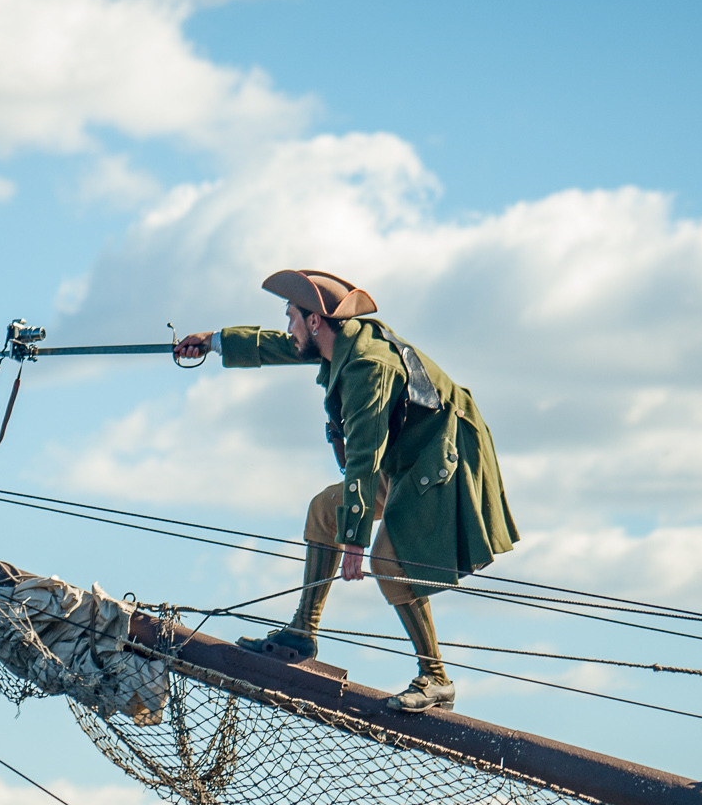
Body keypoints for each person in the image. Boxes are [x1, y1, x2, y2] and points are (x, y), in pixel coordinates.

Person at [176, 270, 517, 712]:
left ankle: (436, 677)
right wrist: (214, 340)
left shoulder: (366, 367)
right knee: (324, 510)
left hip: (440, 461)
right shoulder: (340, 341)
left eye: (292, 318)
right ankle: (302, 631)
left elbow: (364, 459)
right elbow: (282, 346)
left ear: (315, 321)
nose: (289, 327)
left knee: (387, 562)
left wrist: (354, 541)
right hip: (406, 459)